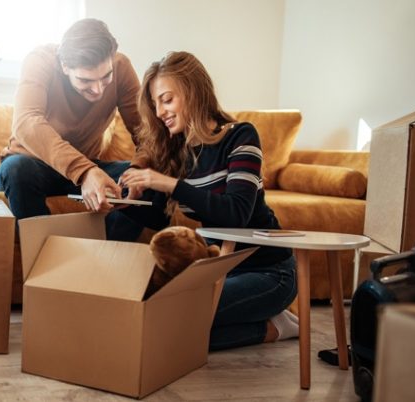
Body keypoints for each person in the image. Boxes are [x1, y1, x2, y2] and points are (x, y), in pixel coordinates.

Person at [118, 51, 299, 350]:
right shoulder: (177, 150)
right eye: (155, 104)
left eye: (166, 99)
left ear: (192, 91)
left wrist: (169, 183)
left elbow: (236, 213)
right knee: (154, 319)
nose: (160, 112)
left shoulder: (240, 136)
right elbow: (158, 220)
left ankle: (276, 327)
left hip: (269, 271)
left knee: (172, 324)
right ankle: (261, 320)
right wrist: (125, 204)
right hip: (220, 269)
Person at [0, 18, 142, 240]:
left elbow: (146, 132)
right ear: (65, 66)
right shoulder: (40, 61)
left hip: (86, 166)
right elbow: (26, 121)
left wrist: (141, 168)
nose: (98, 90)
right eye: (85, 81)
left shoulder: (122, 67)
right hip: (31, 166)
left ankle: (107, 259)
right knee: (17, 170)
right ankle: (46, 264)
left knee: (148, 181)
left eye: (105, 77)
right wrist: (85, 171)